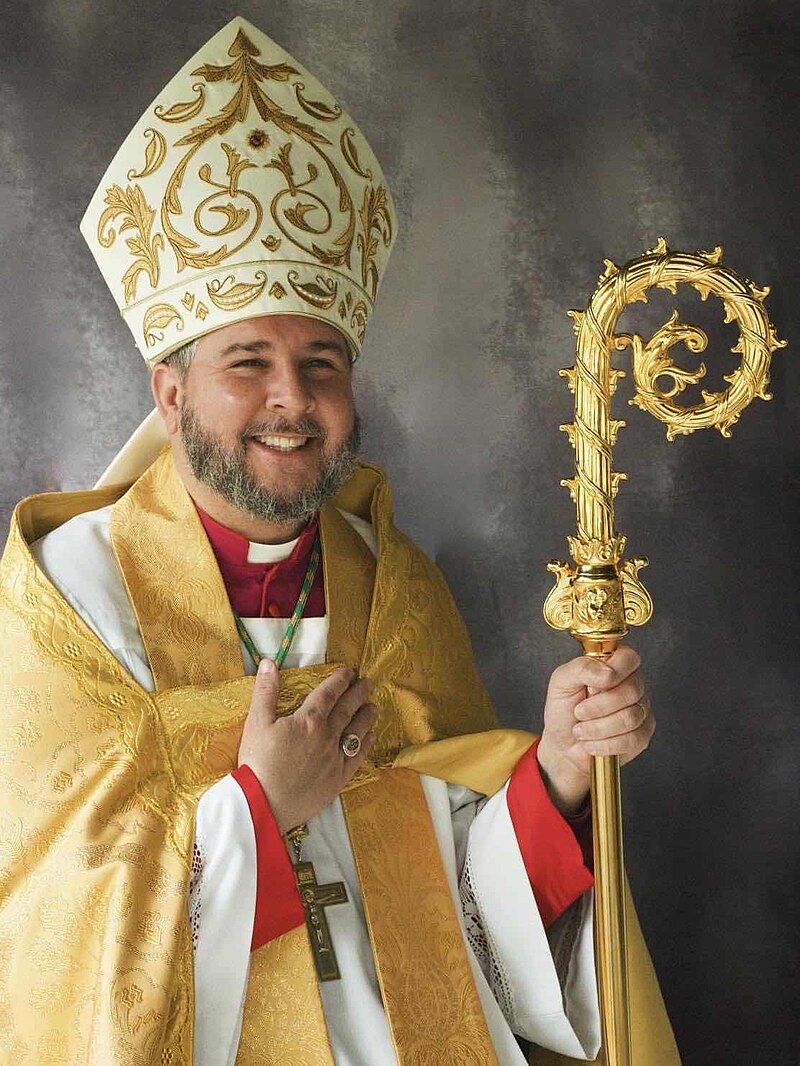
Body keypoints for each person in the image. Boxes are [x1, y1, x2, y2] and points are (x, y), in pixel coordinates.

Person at [0, 16, 679, 1066]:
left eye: (321, 362)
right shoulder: (69, 603)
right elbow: (49, 932)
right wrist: (260, 809)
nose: (291, 398)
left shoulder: (391, 585)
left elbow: (465, 905)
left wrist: (558, 770)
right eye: (248, 362)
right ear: (170, 394)